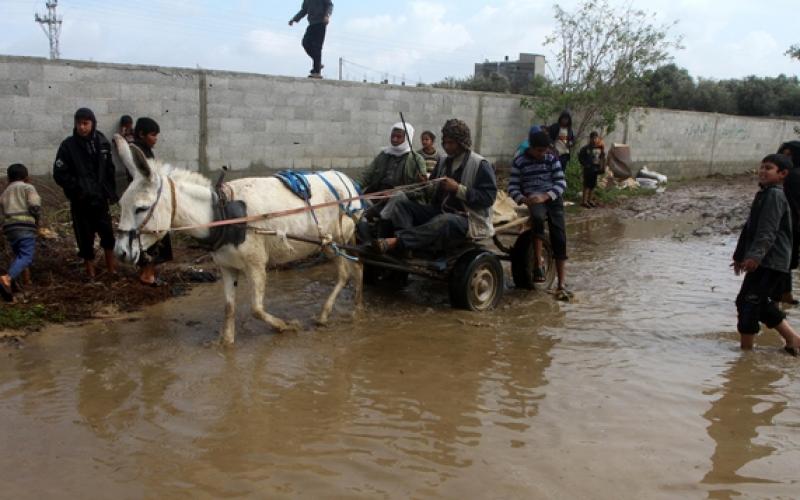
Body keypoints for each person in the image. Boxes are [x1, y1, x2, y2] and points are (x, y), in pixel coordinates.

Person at [373, 118, 497, 254]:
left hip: (469, 219)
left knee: (444, 220)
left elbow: (488, 198)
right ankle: (410, 246)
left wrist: (457, 189)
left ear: (462, 143)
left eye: (451, 143)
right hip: (440, 210)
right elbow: (430, 192)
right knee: (402, 206)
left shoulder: (480, 164)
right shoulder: (443, 161)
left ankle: (400, 242)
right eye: (445, 142)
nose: (447, 147)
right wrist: (424, 184)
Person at [732, 154, 800, 356]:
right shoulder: (764, 194)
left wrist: (755, 257)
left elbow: (767, 232)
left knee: (749, 302)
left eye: (768, 168)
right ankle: (792, 338)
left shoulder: (775, 196)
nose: (762, 171)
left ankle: (746, 355)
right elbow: (749, 229)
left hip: (771, 261)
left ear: (782, 174)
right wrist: (739, 255)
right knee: (753, 301)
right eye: (761, 167)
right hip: (766, 260)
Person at [53, 107, 117, 280]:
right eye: (79, 123)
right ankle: (91, 275)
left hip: (100, 200)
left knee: (108, 236)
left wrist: (111, 193)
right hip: (81, 202)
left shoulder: (102, 143)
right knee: (85, 239)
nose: (82, 127)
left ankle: (112, 270)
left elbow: (109, 170)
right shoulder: (68, 146)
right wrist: (78, 190)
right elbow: (59, 173)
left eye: (85, 123)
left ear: (92, 123)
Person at [508, 130, 568, 292]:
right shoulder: (520, 161)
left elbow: (561, 183)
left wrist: (546, 196)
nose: (543, 154)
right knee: (537, 218)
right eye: (539, 150)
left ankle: (561, 282)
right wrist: (523, 199)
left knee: (559, 237)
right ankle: (538, 263)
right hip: (532, 198)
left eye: (545, 150)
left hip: (552, 198)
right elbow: (512, 187)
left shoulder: (551, 159)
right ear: (531, 148)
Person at [133, 117, 172, 287]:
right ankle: (147, 275)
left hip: (149, 201)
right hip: (147, 204)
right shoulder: (138, 153)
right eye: (152, 134)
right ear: (141, 134)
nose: (155, 138)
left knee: (155, 238)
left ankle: (147, 273)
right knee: (154, 237)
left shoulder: (145, 150)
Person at [0, 164, 41, 301]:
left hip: (10, 228)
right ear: (26, 177)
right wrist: (37, 221)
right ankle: (7, 278)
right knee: (26, 256)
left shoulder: (5, 192)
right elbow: (35, 206)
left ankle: (16, 286)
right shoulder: (28, 187)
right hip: (25, 226)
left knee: (19, 256)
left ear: (9, 178)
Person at [777, 141, 800, 304]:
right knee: (787, 259)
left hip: (788, 223)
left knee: (781, 259)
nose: (785, 158)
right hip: (793, 223)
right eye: (784, 154)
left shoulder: (791, 176)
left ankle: (779, 295)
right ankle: (785, 294)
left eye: (789, 155)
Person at [289, 0, 333, 79]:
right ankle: (318, 64)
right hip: (312, 24)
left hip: (321, 23)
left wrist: (327, 15)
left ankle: (316, 72)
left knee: (317, 47)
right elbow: (304, 10)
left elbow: (329, 5)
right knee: (305, 43)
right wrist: (294, 19)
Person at [578, 131, 606, 208]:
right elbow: (580, 157)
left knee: (593, 185)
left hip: (595, 169)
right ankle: (584, 201)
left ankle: (590, 200)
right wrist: (585, 164)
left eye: (596, 138)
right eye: (593, 138)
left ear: (597, 138)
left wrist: (601, 166)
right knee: (586, 185)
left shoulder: (599, 148)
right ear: (590, 138)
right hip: (588, 169)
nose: (594, 140)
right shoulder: (585, 148)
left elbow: (602, 157)